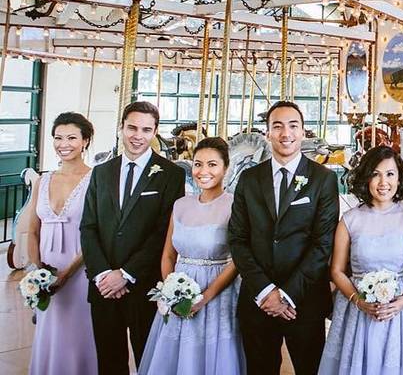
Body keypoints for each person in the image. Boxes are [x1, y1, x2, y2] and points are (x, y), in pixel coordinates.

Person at [228, 100, 339, 374]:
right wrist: (267, 291)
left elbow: (323, 243)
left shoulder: (323, 179)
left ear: (303, 132)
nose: (285, 133)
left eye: (293, 126)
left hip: (305, 299)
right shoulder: (249, 179)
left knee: (309, 368)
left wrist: (287, 294)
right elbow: (238, 239)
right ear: (267, 134)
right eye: (277, 126)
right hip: (258, 299)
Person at [80, 101, 185, 375]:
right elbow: (88, 227)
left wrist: (125, 274)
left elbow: (164, 232)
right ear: (121, 128)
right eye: (132, 128)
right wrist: (103, 273)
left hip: (143, 285)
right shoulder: (101, 172)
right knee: (109, 361)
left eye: (146, 129)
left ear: (155, 133)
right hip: (103, 287)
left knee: (148, 361)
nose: (138, 135)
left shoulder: (171, 175)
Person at [319, 146, 403, 374]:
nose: (383, 182)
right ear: (366, 178)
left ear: (399, 178)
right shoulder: (350, 220)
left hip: (398, 308)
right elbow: (337, 270)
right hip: (357, 305)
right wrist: (358, 300)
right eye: (375, 174)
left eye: (390, 174)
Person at [139, 137, 244, 374]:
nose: (203, 171)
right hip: (180, 288)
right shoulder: (180, 205)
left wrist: (205, 297)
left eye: (212, 164)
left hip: (217, 291)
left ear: (225, 168)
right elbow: (168, 255)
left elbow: (238, 259)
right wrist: (170, 291)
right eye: (198, 164)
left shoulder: (234, 205)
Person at [27, 112, 97, 375]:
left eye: (71, 137)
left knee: (78, 333)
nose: (63, 144)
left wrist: (66, 274)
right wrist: (39, 271)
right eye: (58, 137)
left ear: (85, 141)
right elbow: (33, 230)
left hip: (80, 270)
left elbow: (97, 232)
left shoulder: (96, 179)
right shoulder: (43, 181)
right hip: (47, 271)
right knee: (49, 331)